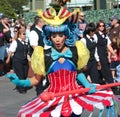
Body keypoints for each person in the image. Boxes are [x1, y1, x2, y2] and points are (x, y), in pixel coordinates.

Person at [6, 7, 115, 117]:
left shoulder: (75, 50)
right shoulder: (44, 54)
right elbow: (35, 79)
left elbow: (77, 72)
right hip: (53, 99)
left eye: (61, 35)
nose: (57, 39)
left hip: (74, 97)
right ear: (49, 37)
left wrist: (87, 84)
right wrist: (20, 82)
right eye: (54, 36)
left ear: (66, 36)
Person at [95, 20, 119, 94]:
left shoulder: (105, 35)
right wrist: (97, 59)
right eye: (100, 26)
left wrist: (113, 54)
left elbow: (108, 46)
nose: (102, 27)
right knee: (107, 73)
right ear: (97, 27)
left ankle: (106, 88)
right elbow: (95, 48)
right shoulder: (96, 35)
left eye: (103, 26)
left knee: (103, 73)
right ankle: (114, 89)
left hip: (104, 56)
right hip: (99, 56)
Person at [6, 27, 29, 94]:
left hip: (24, 61)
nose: (24, 36)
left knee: (25, 74)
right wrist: (8, 59)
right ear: (19, 35)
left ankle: (20, 85)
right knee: (21, 74)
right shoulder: (16, 42)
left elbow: (26, 52)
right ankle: (22, 89)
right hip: (18, 61)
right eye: (23, 34)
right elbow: (11, 51)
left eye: (25, 34)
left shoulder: (25, 43)